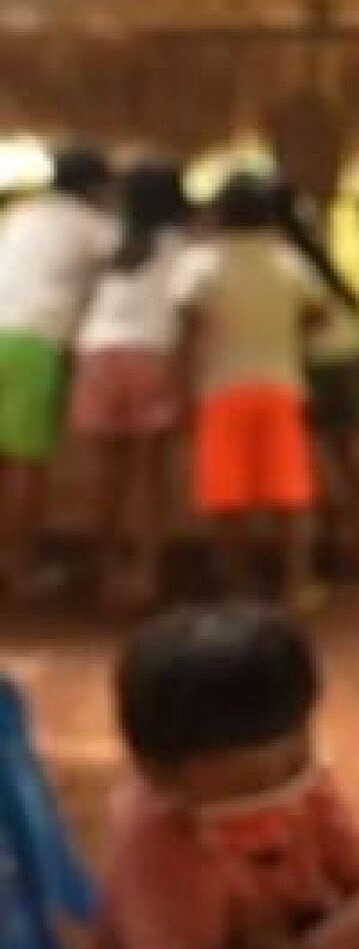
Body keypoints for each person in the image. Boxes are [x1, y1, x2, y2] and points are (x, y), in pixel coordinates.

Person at [81, 603, 359, 949]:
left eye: (298, 755)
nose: (289, 784)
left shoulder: (304, 786)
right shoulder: (157, 835)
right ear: (160, 773)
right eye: (255, 780)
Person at [174, 173, 329, 609]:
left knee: (227, 500)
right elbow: (318, 312)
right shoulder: (288, 260)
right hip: (280, 384)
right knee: (290, 496)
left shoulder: (202, 262)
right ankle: (298, 582)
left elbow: (186, 316)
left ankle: (236, 585)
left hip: (222, 388)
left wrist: (187, 379)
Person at [69, 158, 193, 610]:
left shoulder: (109, 246)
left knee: (106, 476)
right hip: (152, 357)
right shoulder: (183, 248)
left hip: (98, 354)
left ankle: (104, 572)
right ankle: (147, 574)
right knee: (152, 477)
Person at [0, 144, 114, 587]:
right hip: (37, 339)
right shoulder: (93, 227)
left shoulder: (23, 213)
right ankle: (16, 563)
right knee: (27, 461)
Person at [270, 180, 359, 574]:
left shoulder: (280, 258)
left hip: (319, 363)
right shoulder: (309, 254)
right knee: (346, 455)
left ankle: (339, 531)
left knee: (314, 455)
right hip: (345, 358)